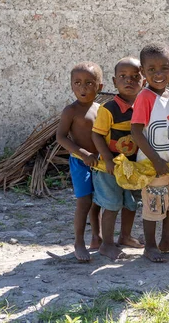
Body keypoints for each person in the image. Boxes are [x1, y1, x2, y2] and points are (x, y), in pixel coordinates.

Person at [131, 42, 169, 263]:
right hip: (152, 163)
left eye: (164, 68)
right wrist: (155, 160)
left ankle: (167, 239)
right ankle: (151, 246)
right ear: (143, 72)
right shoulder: (145, 97)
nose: (158, 74)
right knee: (154, 204)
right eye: (151, 69)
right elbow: (136, 131)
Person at [91, 57, 145, 260]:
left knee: (131, 203)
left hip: (132, 167)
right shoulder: (108, 109)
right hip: (109, 168)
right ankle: (106, 244)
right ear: (114, 82)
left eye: (134, 77)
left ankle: (126, 236)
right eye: (123, 77)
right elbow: (96, 134)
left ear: (144, 81)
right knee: (112, 204)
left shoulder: (144, 106)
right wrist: (107, 159)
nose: (128, 81)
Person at [56, 62, 103, 262]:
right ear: (71, 86)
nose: (83, 88)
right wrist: (83, 153)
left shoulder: (101, 110)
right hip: (80, 162)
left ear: (99, 86)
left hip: (98, 163)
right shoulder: (71, 111)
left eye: (89, 83)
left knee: (97, 201)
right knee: (84, 201)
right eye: (78, 83)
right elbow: (61, 137)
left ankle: (97, 237)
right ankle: (78, 242)